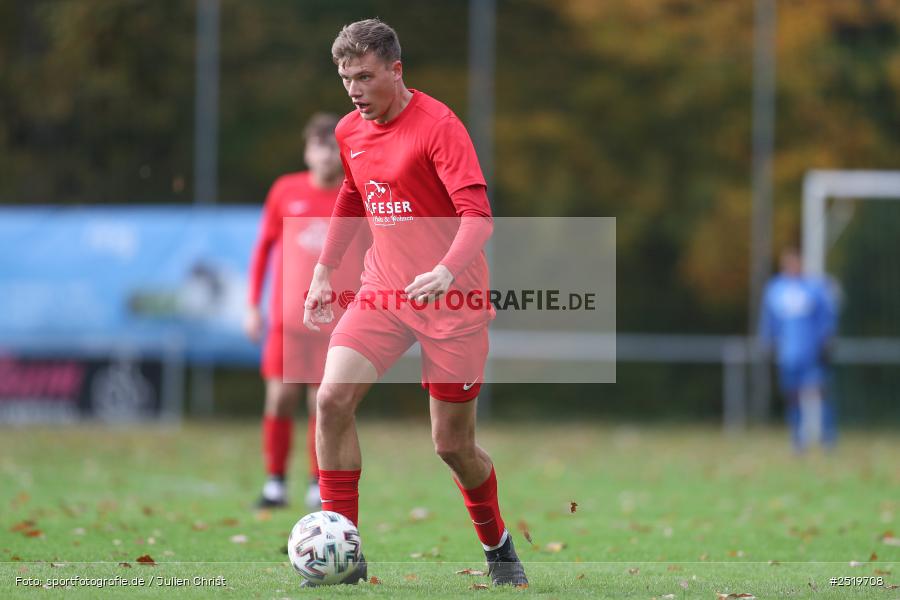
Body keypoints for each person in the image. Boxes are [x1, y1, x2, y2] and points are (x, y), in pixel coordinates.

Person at [301, 18, 528, 587]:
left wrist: (446, 271)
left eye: (365, 76)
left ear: (395, 71)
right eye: (346, 78)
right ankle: (344, 555)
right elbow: (353, 195)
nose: (354, 90)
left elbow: (479, 217)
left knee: (453, 446)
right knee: (330, 401)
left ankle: (497, 544)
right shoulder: (351, 132)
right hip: (382, 292)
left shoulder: (438, 125)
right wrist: (325, 271)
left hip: (453, 300)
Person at [245, 113, 364, 509]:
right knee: (279, 398)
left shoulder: (356, 194)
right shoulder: (286, 190)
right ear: (307, 151)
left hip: (335, 322)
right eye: (319, 146)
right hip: (287, 319)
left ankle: (318, 481)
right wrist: (252, 306)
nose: (326, 155)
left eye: (333, 147)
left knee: (322, 401)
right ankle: (275, 482)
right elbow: (263, 248)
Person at [759, 246, 839, 452]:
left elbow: (825, 317)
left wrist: (826, 340)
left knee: (819, 392)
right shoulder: (775, 289)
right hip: (788, 355)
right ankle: (797, 440)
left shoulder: (814, 288)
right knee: (792, 396)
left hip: (811, 353)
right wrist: (767, 342)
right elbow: (769, 321)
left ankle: (827, 438)